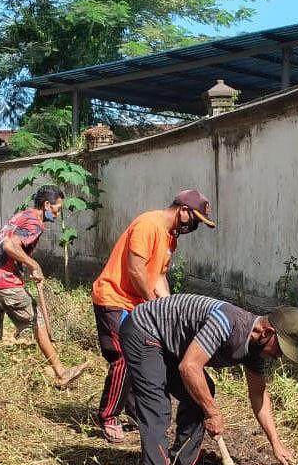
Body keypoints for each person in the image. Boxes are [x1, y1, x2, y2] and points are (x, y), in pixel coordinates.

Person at [119, 294, 298, 465]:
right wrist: (213, 412)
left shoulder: (255, 349)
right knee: (157, 409)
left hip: (168, 343)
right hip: (143, 331)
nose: (278, 357)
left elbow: (258, 394)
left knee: (203, 390)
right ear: (267, 333)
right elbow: (189, 367)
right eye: (280, 349)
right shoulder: (226, 322)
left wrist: (275, 442)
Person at [90, 189, 216, 444]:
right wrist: (152, 305)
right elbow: (136, 270)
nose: (193, 227)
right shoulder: (149, 224)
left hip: (137, 305)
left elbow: (158, 276)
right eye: (194, 220)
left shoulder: (170, 239)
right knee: (124, 357)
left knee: (144, 356)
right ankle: (108, 416)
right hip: (114, 299)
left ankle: (135, 410)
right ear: (183, 211)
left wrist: (169, 309)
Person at [0, 185, 88, 386]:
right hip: (5, 281)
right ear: (46, 205)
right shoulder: (35, 223)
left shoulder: (21, 216)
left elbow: (8, 245)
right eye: (57, 208)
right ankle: (61, 373)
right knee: (38, 321)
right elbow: (9, 246)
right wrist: (33, 264)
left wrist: (26, 268)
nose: (57, 213)